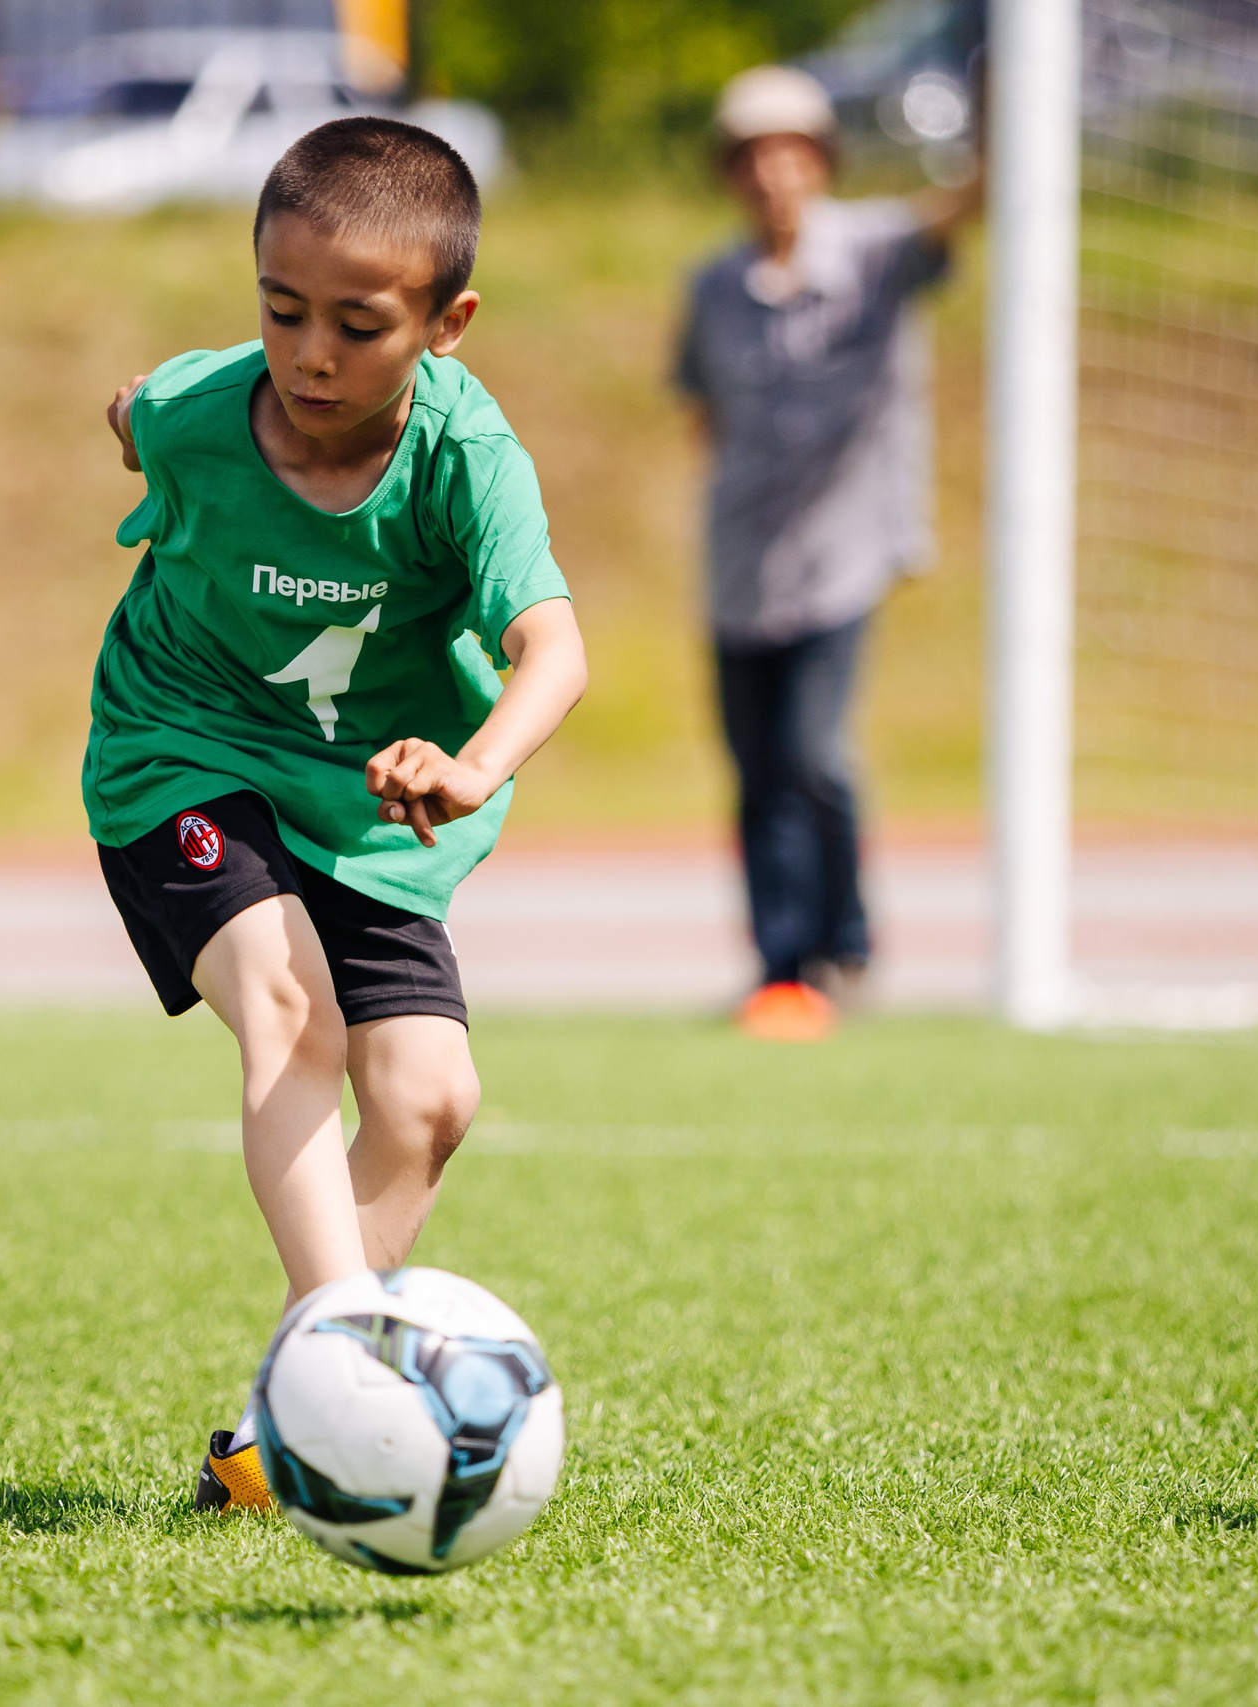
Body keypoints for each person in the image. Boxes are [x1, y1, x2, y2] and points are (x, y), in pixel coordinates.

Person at [88, 117, 589, 1510]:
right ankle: (359, 1387)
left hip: (368, 805)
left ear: (450, 323)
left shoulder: (464, 457)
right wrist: (138, 421)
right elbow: (140, 411)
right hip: (178, 750)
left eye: (359, 326)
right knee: (293, 1012)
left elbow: (557, 648)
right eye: (281, 309)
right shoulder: (204, 411)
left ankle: (278, 1425)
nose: (310, 355)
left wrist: (474, 764)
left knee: (430, 1100)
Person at [675, 65, 981, 1042]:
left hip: (842, 552)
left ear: (819, 161)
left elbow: (954, 215)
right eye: (752, 157)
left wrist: (1006, 114)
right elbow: (697, 408)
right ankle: (779, 970)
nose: (772, 174)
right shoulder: (713, 286)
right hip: (739, 560)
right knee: (754, 767)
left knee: (814, 754)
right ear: (731, 173)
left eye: (790, 152)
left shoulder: (877, 251)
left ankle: (842, 937)